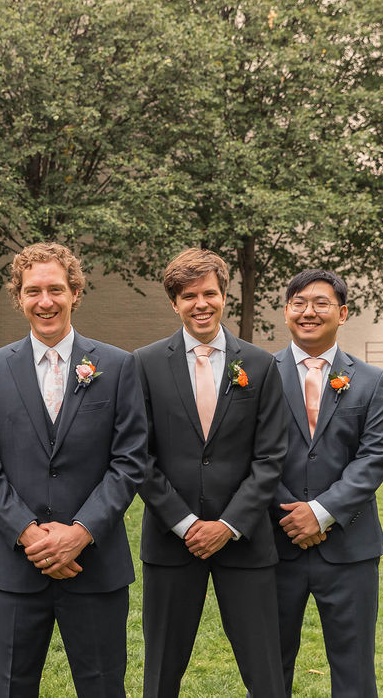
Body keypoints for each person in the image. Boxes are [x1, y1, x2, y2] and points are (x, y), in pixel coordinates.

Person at [0, 241, 148, 697]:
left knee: (103, 686)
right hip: (16, 566)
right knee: (10, 687)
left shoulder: (118, 366)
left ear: (75, 293)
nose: (44, 302)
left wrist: (80, 532)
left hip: (96, 565)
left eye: (55, 289)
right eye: (32, 291)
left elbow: (129, 461)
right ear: (19, 297)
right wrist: (29, 533)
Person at [133, 248, 288, 698]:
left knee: (264, 668)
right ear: (174, 303)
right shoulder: (143, 363)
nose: (200, 304)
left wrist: (228, 524)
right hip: (170, 539)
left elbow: (270, 455)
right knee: (161, 668)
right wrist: (184, 524)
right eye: (188, 296)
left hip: (245, 539)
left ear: (225, 296)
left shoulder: (260, 365)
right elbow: (138, 455)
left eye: (209, 294)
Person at [272, 269, 383, 697]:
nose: (309, 312)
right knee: (268, 665)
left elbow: (373, 458)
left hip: (350, 549)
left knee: (354, 667)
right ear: (286, 312)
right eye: (299, 303)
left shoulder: (371, 381)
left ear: (342, 313)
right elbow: (248, 457)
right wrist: (291, 514)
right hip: (274, 545)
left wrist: (321, 514)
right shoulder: (256, 375)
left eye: (321, 303)